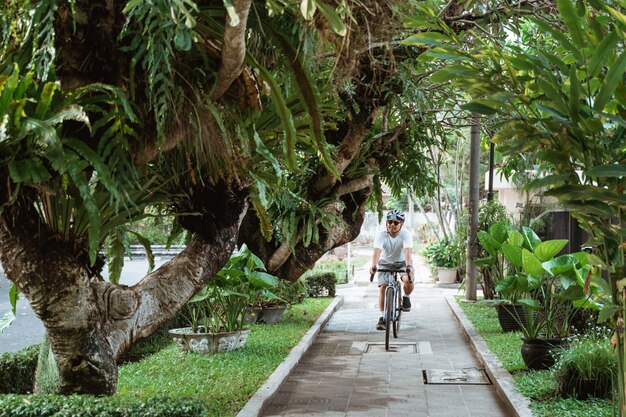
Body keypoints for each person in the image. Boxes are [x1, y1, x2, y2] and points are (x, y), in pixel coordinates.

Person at [369, 209, 415, 331]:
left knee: (408, 281)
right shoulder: (381, 234)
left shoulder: (406, 234)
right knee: (383, 287)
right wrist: (373, 266)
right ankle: (383, 317)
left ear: (401, 224)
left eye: (395, 223)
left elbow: (407, 251)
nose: (392, 225)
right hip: (385, 262)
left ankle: (406, 297)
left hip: (402, 262)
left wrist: (409, 266)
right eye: (389, 222)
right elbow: (376, 252)